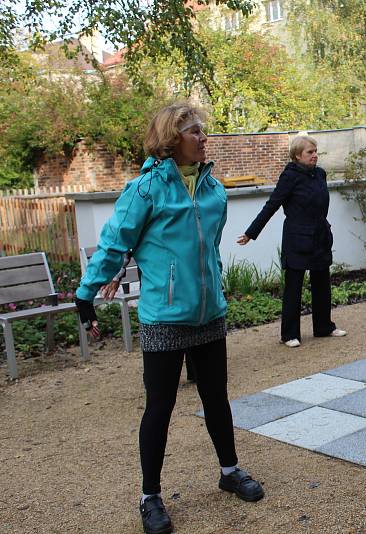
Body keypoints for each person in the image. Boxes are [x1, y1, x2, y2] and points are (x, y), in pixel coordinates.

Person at [75, 103, 264, 534]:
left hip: (208, 313)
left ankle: (229, 471)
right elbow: (113, 242)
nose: (203, 138)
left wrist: (213, 287)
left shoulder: (213, 188)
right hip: (165, 317)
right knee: (160, 406)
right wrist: (86, 293)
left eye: (202, 131)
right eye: (194, 131)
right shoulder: (146, 190)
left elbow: (209, 249)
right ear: (170, 139)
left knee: (217, 398)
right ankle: (150, 497)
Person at [237, 135, 346, 348]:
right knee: (293, 288)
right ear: (297, 156)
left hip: (320, 236)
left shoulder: (320, 174)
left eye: (316, 152)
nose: (315, 155)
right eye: (309, 152)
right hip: (297, 239)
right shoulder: (289, 176)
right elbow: (272, 205)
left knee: (322, 283)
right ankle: (289, 334)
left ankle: (323, 326)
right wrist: (251, 233)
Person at [100, 252, 196, 382]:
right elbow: (125, 243)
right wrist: (115, 275)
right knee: (158, 325)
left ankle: (194, 370)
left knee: (191, 314)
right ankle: (158, 376)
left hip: (188, 279)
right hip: (154, 284)